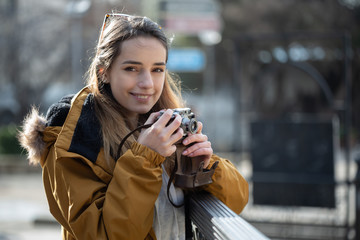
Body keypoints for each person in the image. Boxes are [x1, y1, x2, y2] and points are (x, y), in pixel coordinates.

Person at [19, 13, 248, 240]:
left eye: (157, 69)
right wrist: (145, 157)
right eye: (132, 68)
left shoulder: (168, 121)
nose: (147, 83)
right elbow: (103, 235)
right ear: (104, 72)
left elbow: (237, 202)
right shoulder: (75, 133)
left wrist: (207, 167)